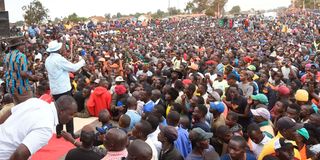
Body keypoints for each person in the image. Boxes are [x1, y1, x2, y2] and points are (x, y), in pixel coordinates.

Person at [0, 95, 77, 159]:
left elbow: (9, 112)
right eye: (71, 114)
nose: (72, 118)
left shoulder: (35, 101)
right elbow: (20, 154)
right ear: (61, 112)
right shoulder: (46, 127)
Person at [45, 40, 85, 138]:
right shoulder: (59, 59)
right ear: (58, 49)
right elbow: (74, 68)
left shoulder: (47, 60)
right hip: (63, 89)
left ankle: (59, 132)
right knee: (69, 110)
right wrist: (82, 62)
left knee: (58, 110)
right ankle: (70, 132)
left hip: (55, 90)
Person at [4, 38, 40, 104]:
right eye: (22, 45)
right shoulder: (21, 56)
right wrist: (33, 77)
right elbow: (23, 73)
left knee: (18, 108)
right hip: (21, 87)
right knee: (28, 106)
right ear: (18, 46)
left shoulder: (7, 56)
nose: (24, 46)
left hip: (11, 87)